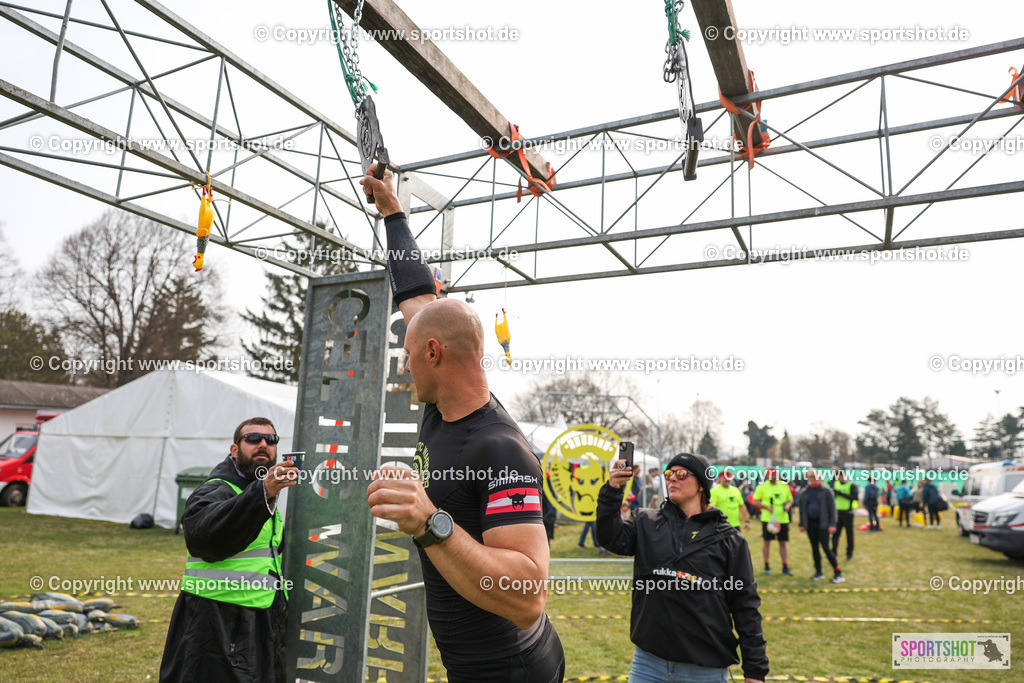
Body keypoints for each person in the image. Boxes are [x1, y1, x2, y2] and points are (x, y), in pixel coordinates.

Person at [361, 166, 564, 683]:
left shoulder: (500, 450)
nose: (403, 367)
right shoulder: (441, 404)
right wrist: (393, 213)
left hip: (511, 670)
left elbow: (530, 597)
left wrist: (429, 522)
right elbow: (418, 294)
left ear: (434, 353)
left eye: (409, 355)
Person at [597, 453, 768, 683]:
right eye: (669, 474)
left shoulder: (729, 540)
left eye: (681, 474)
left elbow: (746, 606)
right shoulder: (646, 523)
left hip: (704, 669)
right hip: (649, 664)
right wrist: (612, 490)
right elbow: (610, 538)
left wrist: (755, 671)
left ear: (701, 485)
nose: (672, 479)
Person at [160, 417, 299, 683]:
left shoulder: (258, 493)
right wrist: (262, 492)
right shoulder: (217, 489)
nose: (263, 445)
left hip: (258, 617)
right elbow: (203, 538)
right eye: (253, 439)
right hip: (217, 622)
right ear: (234, 450)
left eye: (270, 440)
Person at [796, 469, 844, 583]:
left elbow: (832, 509)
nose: (813, 479)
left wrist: (832, 524)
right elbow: (802, 510)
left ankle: (838, 572)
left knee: (826, 548)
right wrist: (802, 524)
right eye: (810, 477)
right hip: (810, 525)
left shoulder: (826, 491)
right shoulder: (804, 492)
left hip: (823, 524)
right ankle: (818, 572)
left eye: (815, 476)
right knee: (814, 548)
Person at [752, 469, 794, 576]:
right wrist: (765, 507)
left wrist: (788, 506)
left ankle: (785, 566)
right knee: (766, 542)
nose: (773, 477)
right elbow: (755, 501)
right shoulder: (762, 487)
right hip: (768, 519)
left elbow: (790, 499)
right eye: (771, 475)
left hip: (782, 519)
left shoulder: (784, 486)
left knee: (783, 543)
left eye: (775, 475)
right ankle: (767, 565)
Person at [831, 471, 859, 561]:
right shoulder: (835, 484)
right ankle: (833, 552)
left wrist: (841, 494)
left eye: (840, 476)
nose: (839, 478)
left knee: (849, 535)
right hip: (837, 513)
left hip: (847, 513)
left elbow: (855, 497)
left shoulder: (851, 485)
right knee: (835, 535)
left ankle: (849, 554)